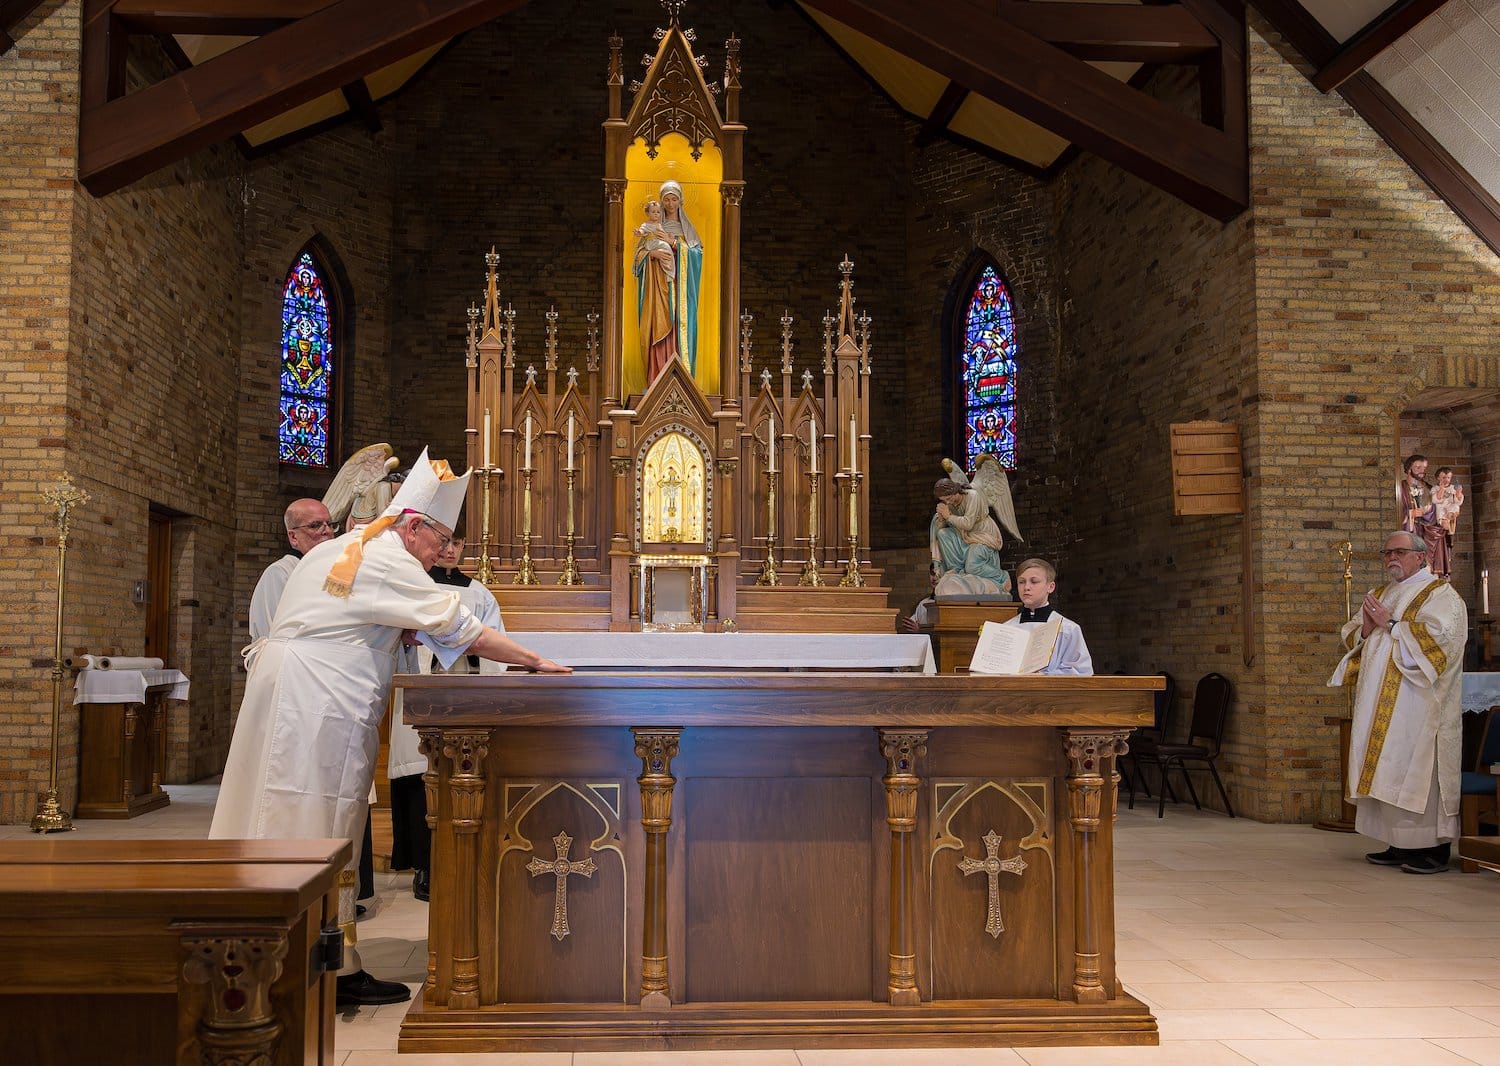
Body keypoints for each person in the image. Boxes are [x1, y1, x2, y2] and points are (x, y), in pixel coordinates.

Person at [211, 449, 570, 1007]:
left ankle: (332, 961)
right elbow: (464, 628)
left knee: (331, 827)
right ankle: (282, 970)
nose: (439, 553)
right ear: (412, 525)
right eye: (437, 539)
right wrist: (535, 661)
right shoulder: (389, 559)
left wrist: (390, 635)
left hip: (308, 698)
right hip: (314, 709)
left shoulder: (345, 549)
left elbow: (346, 623)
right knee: (301, 825)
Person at [1328, 530, 1466, 874]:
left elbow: (1441, 642)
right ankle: (1399, 843)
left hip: (1419, 705)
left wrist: (1389, 623)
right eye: (1386, 552)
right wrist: (1365, 629)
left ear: (1421, 556)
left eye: (1399, 552)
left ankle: (1432, 850)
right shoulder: (1381, 593)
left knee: (1416, 771)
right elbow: (1352, 632)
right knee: (1387, 768)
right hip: (1379, 704)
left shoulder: (1441, 595)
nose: (1391, 558)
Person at [387, 532, 506, 902]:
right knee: (419, 777)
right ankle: (424, 865)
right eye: (445, 543)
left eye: (458, 544)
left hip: (463, 694)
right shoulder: (413, 584)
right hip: (421, 689)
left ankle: (467, 859)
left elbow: (494, 641)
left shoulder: (478, 591)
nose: (451, 550)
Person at [633, 179, 703, 385]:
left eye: (674, 199)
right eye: (666, 200)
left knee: (678, 327)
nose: (670, 204)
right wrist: (651, 253)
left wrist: (674, 244)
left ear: (681, 201)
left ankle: (681, 380)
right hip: (658, 290)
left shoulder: (687, 229)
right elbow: (638, 258)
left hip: (681, 292)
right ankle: (657, 378)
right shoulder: (654, 226)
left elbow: (697, 257)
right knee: (658, 328)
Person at [248, 498, 335, 640]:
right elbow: (273, 634)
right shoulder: (280, 573)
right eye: (315, 525)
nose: (327, 531)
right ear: (293, 537)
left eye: (330, 524)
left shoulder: (332, 570)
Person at [1002, 558, 1093, 675]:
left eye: (1034, 581)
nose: (1026, 587)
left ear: (1050, 587)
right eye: (1021, 582)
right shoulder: (1006, 628)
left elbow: (1081, 671)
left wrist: (1043, 676)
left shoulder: (1067, 629)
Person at [930, 476, 1012, 598]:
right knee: (943, 534)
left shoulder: (972, 496)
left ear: (955, 491)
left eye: (948, 498)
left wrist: (947, 516)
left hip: (983, 535)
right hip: (965, 535)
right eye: (944, 500)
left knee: (972, 567)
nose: (947, 502)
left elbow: (968, 524)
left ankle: (1001, 575)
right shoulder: (949, 503)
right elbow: (944, 526)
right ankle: (956, 568)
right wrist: (941, 517)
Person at [1398, 453, 1448, 578]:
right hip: (1411, 530)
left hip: (1428, 531)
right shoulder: (1401, 488)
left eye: (1424, 468)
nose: (1422, 471)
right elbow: (1395, 509)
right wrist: (1410, 513)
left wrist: (1442, 518)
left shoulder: (1429, 488)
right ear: (1409, 468)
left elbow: (1437, 508)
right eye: (1418, 467)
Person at [1432, 467, 1464, 578]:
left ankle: (1450, 518)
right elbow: (1436, 500)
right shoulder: (1435, 488)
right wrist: (1441, 489)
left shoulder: (1452, 488)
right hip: (1441, 514)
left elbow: (1458, 501)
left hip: (1451, 515)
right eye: (1443, 477)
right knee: (1442, 511)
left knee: (1454, 506)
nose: (1446, 480)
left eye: (1449, 477)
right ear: (1438, 478)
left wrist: (1459, 494)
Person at [898, 564, 939, 633]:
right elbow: (912, 627)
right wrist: (908, 626)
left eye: (938, 574)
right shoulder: (923, 603)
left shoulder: (951, 603)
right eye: (932, 574)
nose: (934, 578)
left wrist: (920, 631)